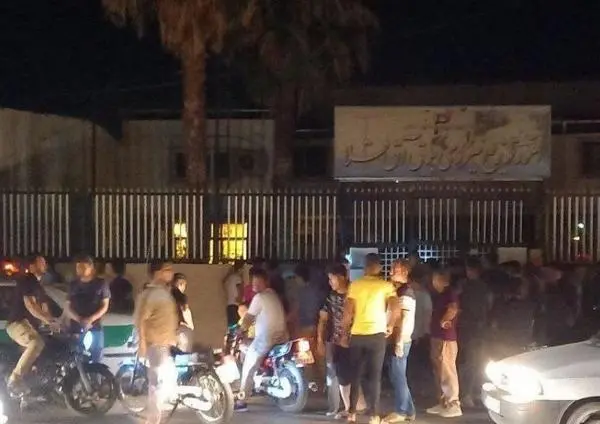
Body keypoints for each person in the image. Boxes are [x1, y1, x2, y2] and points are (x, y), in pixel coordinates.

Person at [341, 253, 398, 424]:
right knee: (375, 376)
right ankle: (374, 415)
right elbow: (395, 307)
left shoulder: (355, 285)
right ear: (379, 268)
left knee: (355, 374)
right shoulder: (386, 286)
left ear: (365, 267)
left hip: (358, 335)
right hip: (377, 335)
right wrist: (391, 325)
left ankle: (352, 413)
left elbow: (347, 312)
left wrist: (344, 333)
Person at [235, 267, 288, 412]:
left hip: (267, 337)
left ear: (266, 282)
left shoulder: (259, 297)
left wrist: (240, 331)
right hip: (282, 336)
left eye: (258, 282)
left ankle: (242, 400)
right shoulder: (273, 294)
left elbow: (248, 318)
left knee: (248, 365)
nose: (255, 285)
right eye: (254, 282)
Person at [317, 263, 366, 419]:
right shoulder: (330, 297)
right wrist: (320, 341)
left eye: (332, 279)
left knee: (356, 373)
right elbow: (323, 319)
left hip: (356, 340)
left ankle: (358, 405)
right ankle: (348, 407)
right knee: (342, 375)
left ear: (342, 277)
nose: (330, 282)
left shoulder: (355, 293)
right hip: (337, 342)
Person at [6, 254, 58, 395]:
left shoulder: (39, 286)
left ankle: (35, 391)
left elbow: (45, 309)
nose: (45, 265)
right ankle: (15, 379)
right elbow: (31, 305)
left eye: (45, 262)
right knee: (36, 342)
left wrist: (55, 322)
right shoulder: (28, 281)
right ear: (32, 266)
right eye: (41, 262)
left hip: (30, 326)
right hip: (18, 323)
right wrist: (49, 321)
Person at [134, 260, 178, 424]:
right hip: (156, 343)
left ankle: (154, 417)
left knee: (165, 381)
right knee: (158, 382)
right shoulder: (151, 295)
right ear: (158, 272)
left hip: (165, 343)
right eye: (167, 269)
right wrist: (142, 343)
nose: (171, 272)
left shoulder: (163, 292)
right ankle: (152, 420)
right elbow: (141, 320)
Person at [426, 269, 462, 418]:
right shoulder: (439, 295)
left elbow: (453, 308)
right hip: (437, 337)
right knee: (440, 371)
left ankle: (453, 404)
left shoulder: (449, 293)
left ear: (441, 279)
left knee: (447, 370)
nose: (433, 282)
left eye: (435, 279)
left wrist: (444, 320)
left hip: (445, 338)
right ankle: (443, 403)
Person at [457, 257, 492, 408]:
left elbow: (458, 305)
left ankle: (465, 394)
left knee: (467, 363)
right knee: (477, 363)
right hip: (480, 329)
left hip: (466, 329)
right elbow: (489, 305)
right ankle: (475, 392)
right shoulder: (485, 287)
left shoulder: (464, 286)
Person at [385, 260, 417, 423]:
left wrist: (398, 342)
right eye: (391, 269)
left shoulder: (406, 292)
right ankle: (409, 410)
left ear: (405, 272)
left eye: (395, 270)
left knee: (398, 376)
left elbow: (403, 318)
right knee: (396, 375)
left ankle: (401, 411)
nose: (391, 272)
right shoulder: (399, 290)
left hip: (401, 338)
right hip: (397, 338)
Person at [64, 255, 111, 362]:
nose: (79, 270)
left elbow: (105, 306)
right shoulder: (72, 285)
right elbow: (67, 307)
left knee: (96, 360)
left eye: (83, 267)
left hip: (95, 327)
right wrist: (79, 319)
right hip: (76, 328)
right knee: (77, 360)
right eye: (78, 267)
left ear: (91, 268)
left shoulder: (101, 284)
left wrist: (90, 319)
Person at [171, 273, 194, 352]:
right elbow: (185, 312)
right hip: (181, 329)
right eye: (184, 285)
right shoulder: (181, 297)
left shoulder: (167, 296)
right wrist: (190, 326)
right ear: (181, 284)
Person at [224, 260, 244, 326]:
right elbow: (239, 288)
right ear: (240, 269)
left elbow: (223, 282)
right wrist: (240, 300)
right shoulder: (238, 278)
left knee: (231, 325)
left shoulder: (229, 278)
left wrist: (229, 273)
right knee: (236, 324)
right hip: (236, 303)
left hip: (229, 304)